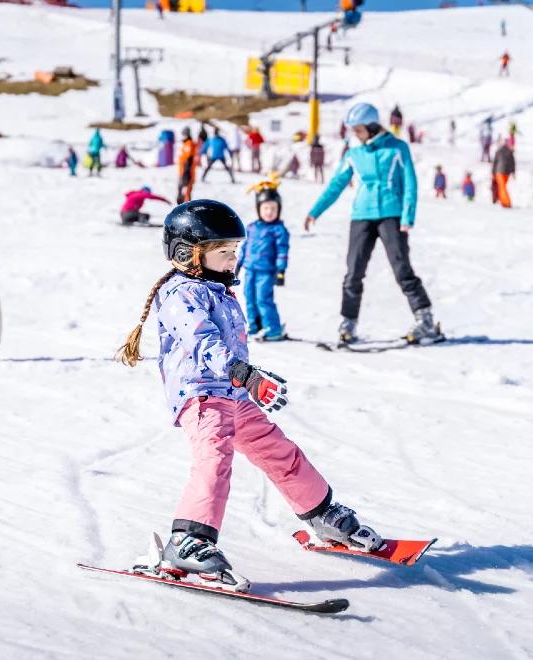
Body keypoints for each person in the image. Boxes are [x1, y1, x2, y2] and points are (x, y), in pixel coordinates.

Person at [114, 199, 383, 588]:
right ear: (186, 254)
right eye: (224, 253)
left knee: (280, 451)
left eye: (235, 251)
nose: (232, 260)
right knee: (214, 459)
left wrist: (249, 378)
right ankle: (189, 539)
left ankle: (320, 513)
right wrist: (242, 372)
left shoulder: (216, 288)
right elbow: (203, 343)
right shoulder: (180, 294)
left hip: (233, 395)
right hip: (202, 396)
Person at [304, 102, 443, 346]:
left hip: (392, 214)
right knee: (353, 272)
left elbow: (410, 182)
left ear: (371, 125)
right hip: (362, 215)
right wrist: (315, 211)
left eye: (358, 130)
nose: (354, 135)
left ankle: (426, 321)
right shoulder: (353, 153)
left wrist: (408, 215)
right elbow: (336, 183)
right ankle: (348, 322)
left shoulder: (397, 148)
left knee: (402, 269)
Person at [237, 186, 290, 341]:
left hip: (266, 271)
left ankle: (273, 329)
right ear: (258, 209)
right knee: (249, 297)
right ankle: (255, 326)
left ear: (279, 209)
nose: (269, 212)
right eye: (265, 208)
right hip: (250, 269)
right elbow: (245, 247)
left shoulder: (279, 230)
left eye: (273, 208)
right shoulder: (252, 227)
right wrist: (238, 264)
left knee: (263, 299)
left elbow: (282, 251)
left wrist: (281, 271)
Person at [176, 127, 199, 203]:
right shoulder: (186, 143)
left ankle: (186, 206)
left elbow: (189, 159)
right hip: (183, 171)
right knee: (182, 189)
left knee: (187, 190)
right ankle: (182, 203)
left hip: (187, 171)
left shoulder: (189, 144)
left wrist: (186, 173)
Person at [492, 141, 515, 208]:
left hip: (499, 172)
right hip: (507, 173)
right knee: (503, 187)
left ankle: (506, 202)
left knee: (502, 187)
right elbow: (513, 163)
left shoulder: (498, 151)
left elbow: (495, 163)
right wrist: (513, 172)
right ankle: (503, 202)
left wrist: (493, 172)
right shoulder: (509, 152)